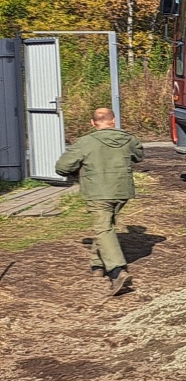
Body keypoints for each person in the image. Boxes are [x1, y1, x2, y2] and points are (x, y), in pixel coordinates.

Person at [55, 107, 143, 296]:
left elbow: (62, 167)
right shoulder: (128, 139)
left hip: (97, 191)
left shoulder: (85, 142)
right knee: (106, 226)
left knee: (103, 228)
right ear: (114, 120)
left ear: (93, 123)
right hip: (122, 190)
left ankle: (117, 270)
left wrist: (77, 172)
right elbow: (139, 156)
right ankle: (97, 265)